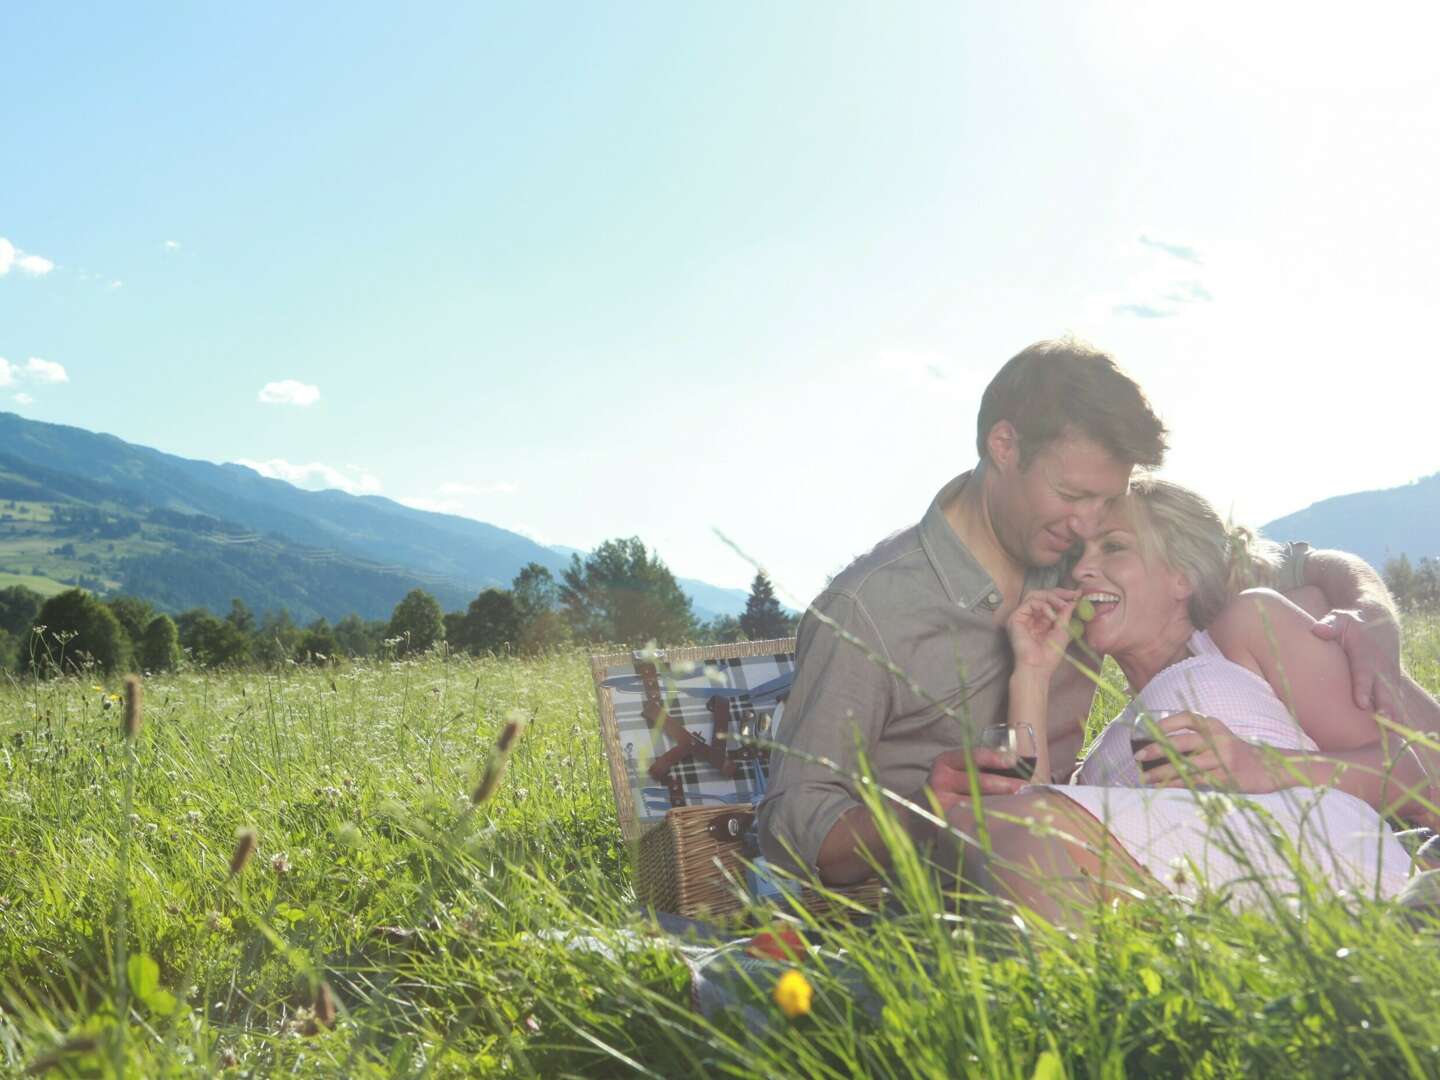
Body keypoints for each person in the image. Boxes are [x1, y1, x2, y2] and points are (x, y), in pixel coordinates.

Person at [759, 337, 1405, 887]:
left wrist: (1371, 611)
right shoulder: (868, 610)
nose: (1087, 524)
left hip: (1098, 852)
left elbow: (1298, 564)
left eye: (1107, 502)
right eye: (1072, 495)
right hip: (959, 885)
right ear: (1004, 446)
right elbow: (792, 828)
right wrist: (923, 813)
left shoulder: (1087, 553)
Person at [943, 478, 1436, 923]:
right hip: (1196, 900)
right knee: (990, 829)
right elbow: (1012, 826)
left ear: (1182, 576)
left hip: (1328, 863)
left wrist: (1262, 767)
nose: (1084, 569)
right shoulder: (1099, 754)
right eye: (1076, 558)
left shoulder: (1244, 625)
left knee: (1024, 830)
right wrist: (1031, 672)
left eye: (1112, 547)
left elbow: (1416, 774)